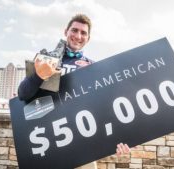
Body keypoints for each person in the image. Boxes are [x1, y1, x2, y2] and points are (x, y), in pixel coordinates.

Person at [18, 14, 130, 169]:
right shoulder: (46, 59)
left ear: (88, 38)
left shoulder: (93, 67)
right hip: (48, 142)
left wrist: (118, 139)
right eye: (74, 30)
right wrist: (39, 75)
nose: (78, 36)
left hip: (82, 147)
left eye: (83, 33)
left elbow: (105, 109)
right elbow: (23, 94)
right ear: (66, 31)